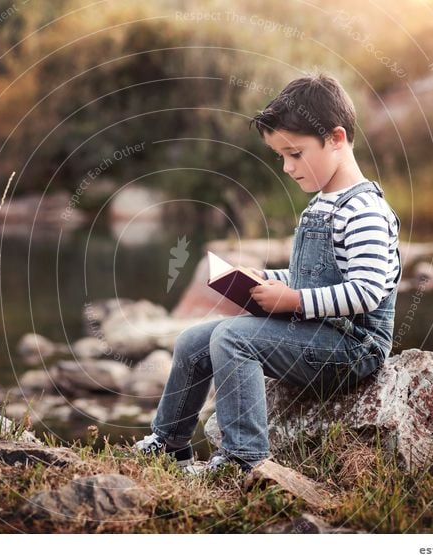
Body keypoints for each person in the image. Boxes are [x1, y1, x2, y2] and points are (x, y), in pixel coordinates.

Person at [135, 72, 403, 474]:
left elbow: (367, 290)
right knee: (194, 340)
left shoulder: (364, 210)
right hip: (317, 332)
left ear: (336, 138)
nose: (286, 167)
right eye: (280, 156)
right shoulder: (322, 204)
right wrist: (265, 277)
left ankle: (244, 458)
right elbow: (312, 273)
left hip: (353, 347)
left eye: (295, 154)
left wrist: (292, 300)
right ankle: (169, 441)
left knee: (232, 337)